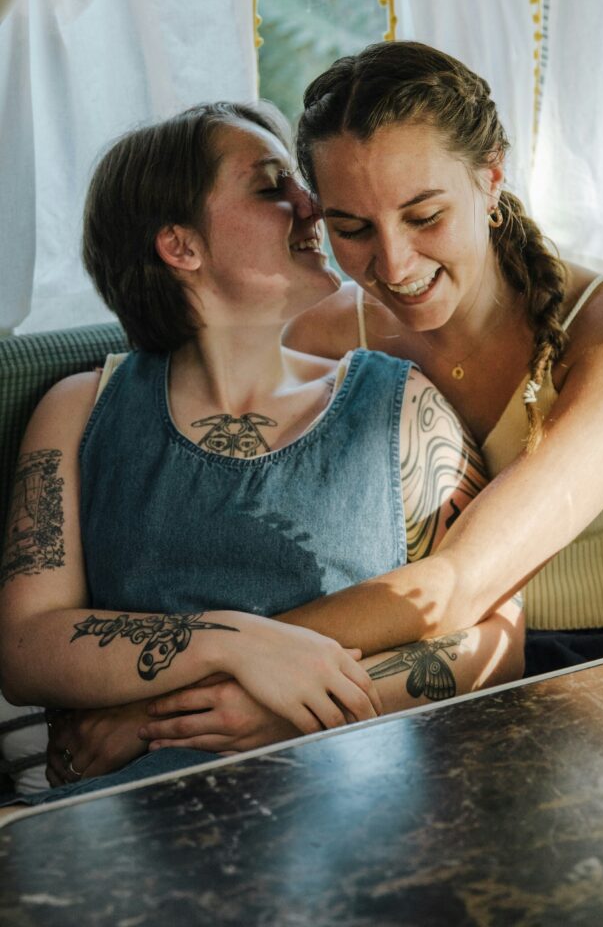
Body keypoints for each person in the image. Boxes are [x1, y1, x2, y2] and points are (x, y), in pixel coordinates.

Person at [0, 101, 523, 802]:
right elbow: (26, 646)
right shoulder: (80, 409)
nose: (312, 206)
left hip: (353, 801)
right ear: (181, 246)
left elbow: (497, 640)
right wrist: (234, 642)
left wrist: (282, 708)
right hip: (124, 816)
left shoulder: (399, 407)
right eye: (273, 186)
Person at [283, 40, 603, 673]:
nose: (394, 265)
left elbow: (461, 582)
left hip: (600, 671)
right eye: (352, 229)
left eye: (424, 216)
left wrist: (211, 659)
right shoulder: (318, 338)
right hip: (399, 661)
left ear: (491, 178)